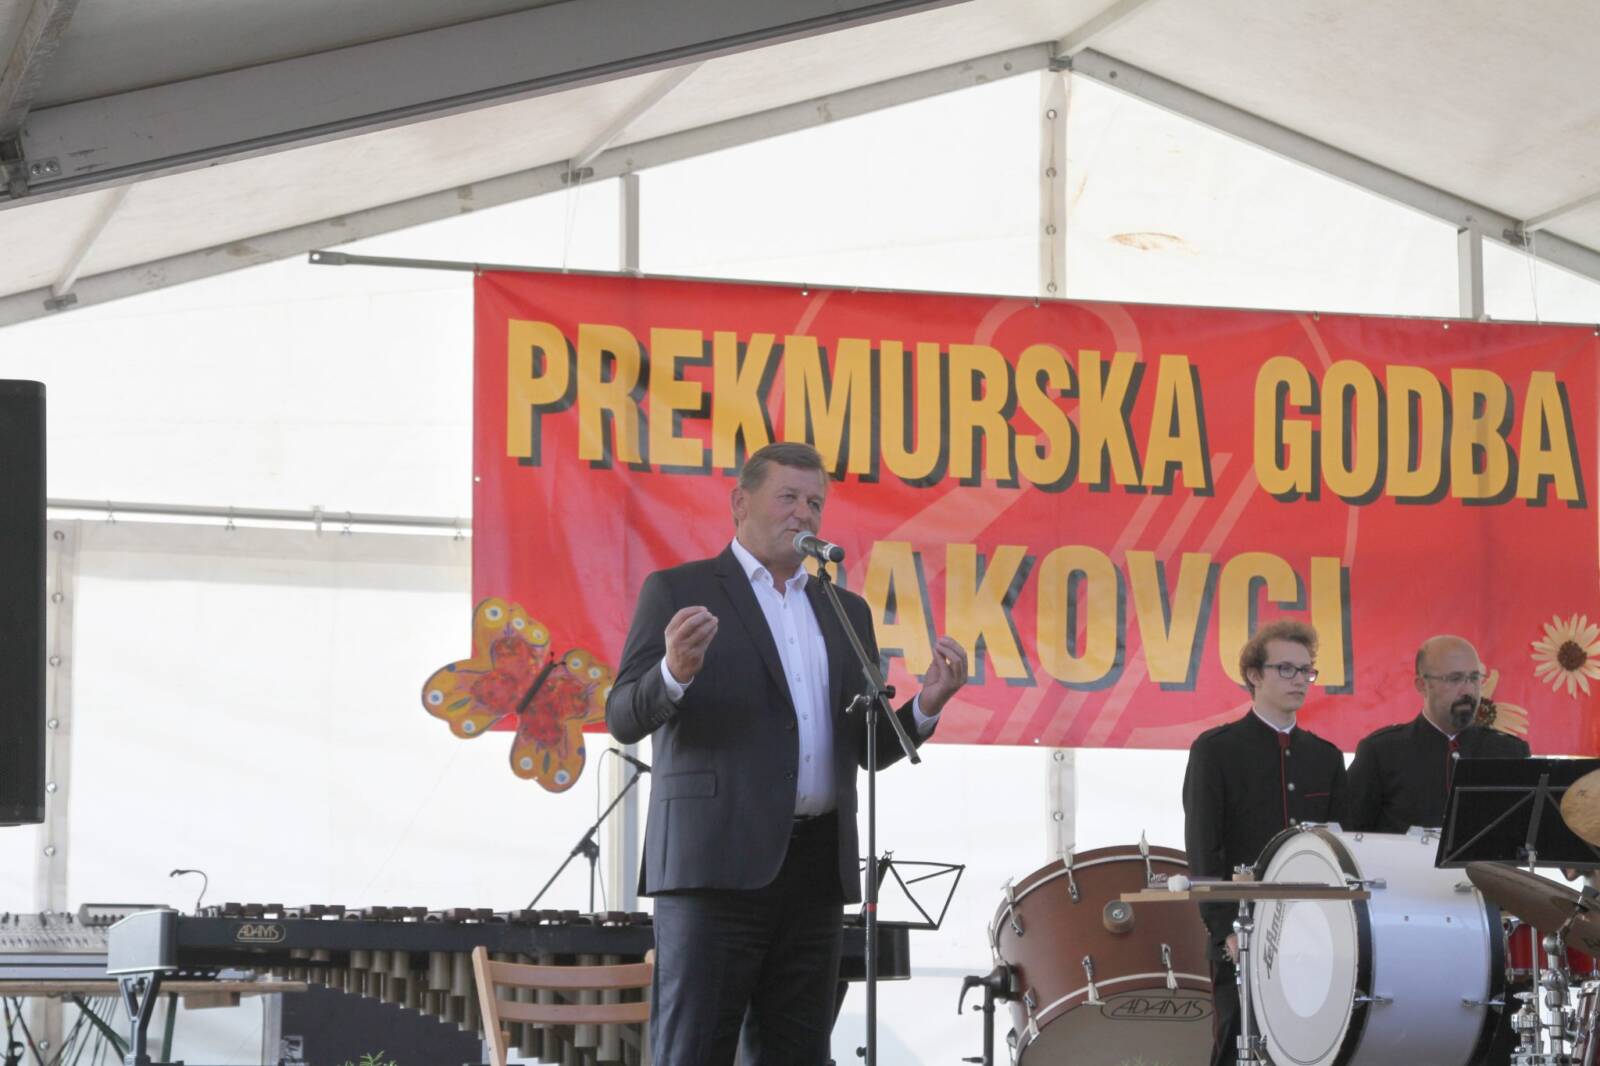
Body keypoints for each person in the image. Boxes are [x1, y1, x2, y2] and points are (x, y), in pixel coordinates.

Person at [605, 442, 969, 1066]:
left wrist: (927, 704)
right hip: (713, 867)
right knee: (695, 1050)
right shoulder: (679, 590)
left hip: (814, 872)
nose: (804, 513)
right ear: (740, 504)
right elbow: (622, 716)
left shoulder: (844, 610)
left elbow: (866, 747)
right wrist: (673, 672)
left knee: (798, 1053)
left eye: (815, 503)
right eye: (789, 498)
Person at [1182, 619, 1348, 1066]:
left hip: (1313, 932)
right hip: (1243, 929)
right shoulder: (1216, 750)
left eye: (1306, 670)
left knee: (1312, 1048)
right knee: (1238, 1044)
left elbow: (1340, 847)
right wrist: (1225, 930)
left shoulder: (1326, 757)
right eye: (1286, 669)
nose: (1300, 680)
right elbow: (1203, 846)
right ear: (1254, 675)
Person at [1344, 634, 1530, 833]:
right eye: (1455, 679)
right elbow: (1347, 835)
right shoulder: (1381, 753)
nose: (1468, 690)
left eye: (1474, 678)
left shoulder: (1509, 752)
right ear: (1422, 685)